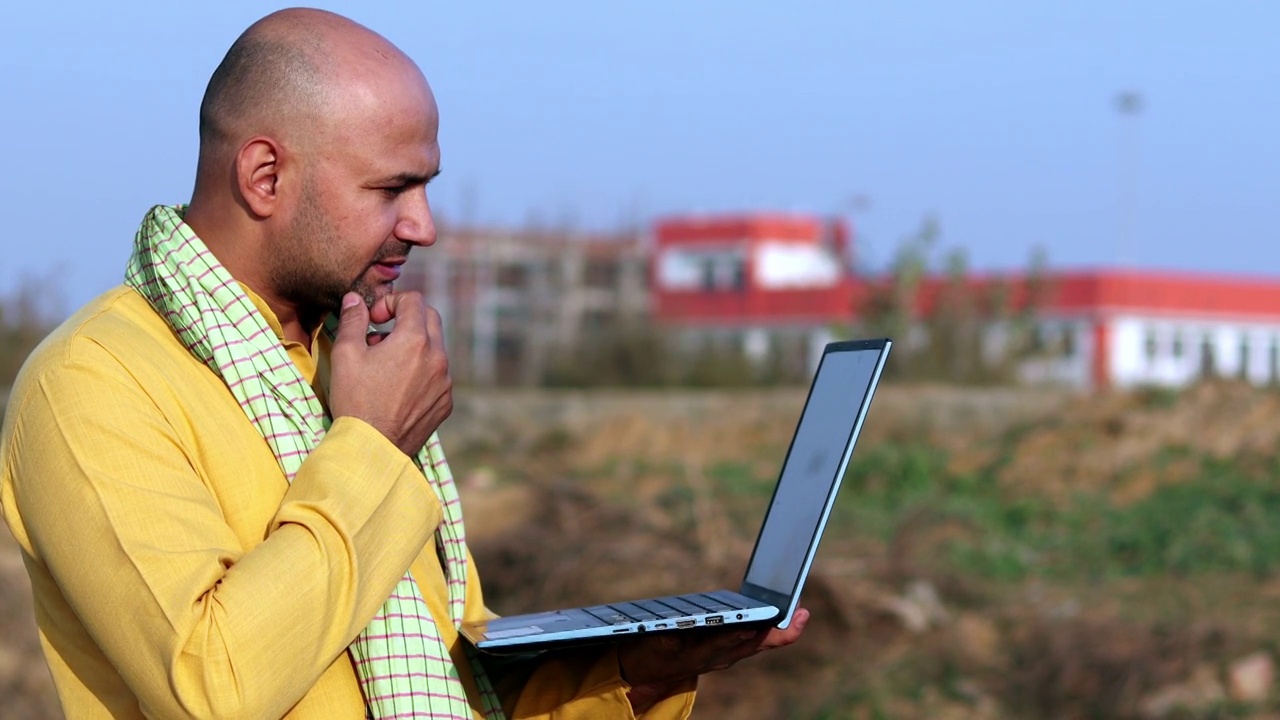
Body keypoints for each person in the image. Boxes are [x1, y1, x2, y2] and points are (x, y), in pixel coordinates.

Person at [0, 8, 808, 719]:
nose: (423, 224)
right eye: (393, 188)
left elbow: (448, 692)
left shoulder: (343, 362)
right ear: (265, 176)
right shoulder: (93, 381)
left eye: (426, 186)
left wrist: (634, 675)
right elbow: (212, 688)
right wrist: (372, 449)